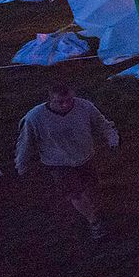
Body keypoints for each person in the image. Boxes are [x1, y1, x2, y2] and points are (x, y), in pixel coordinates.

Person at [16, 82, 119, 240]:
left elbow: (101, 123)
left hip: (85, 156)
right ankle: (94, 222)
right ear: (50, 100)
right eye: (60, 102)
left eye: (69, 100)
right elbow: (25, 142)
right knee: (75, 193)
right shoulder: (35, 117)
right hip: (58, 162)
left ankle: (95, 210)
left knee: (91, 186)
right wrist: (21, 165)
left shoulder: (85, 107)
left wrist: (112, 137)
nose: (66, 104)